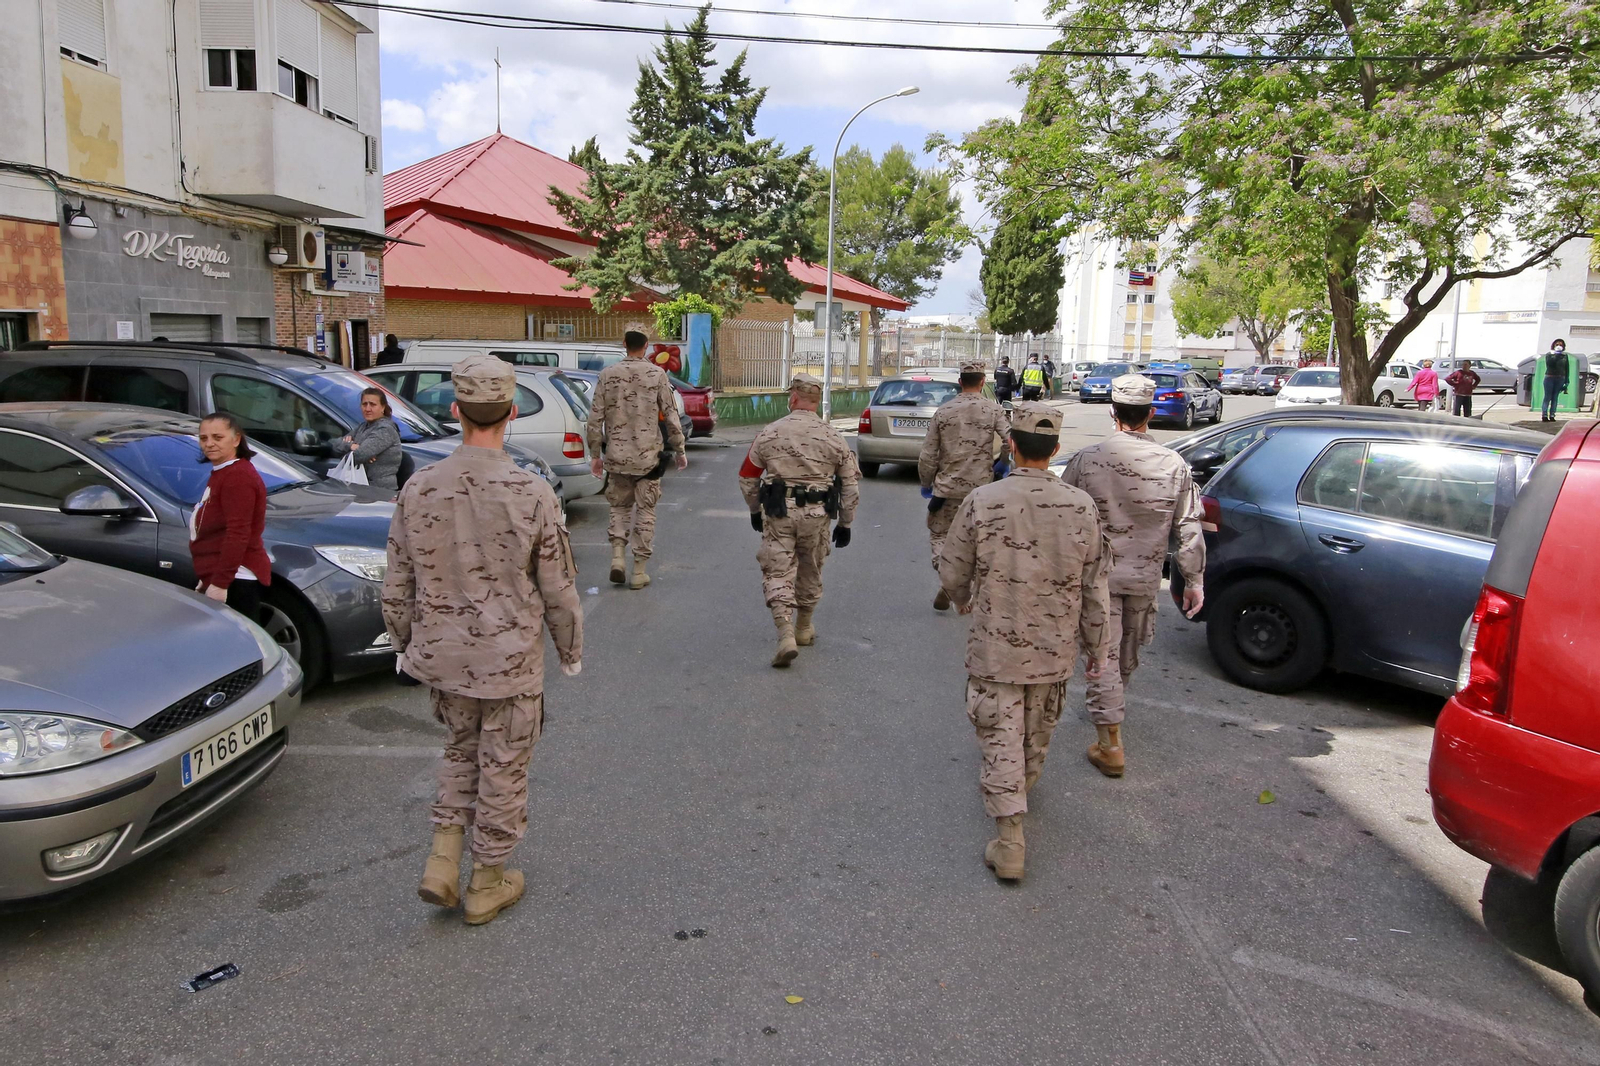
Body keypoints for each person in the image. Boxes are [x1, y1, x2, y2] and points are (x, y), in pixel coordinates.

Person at [384, 355, 583, 926]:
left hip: (444, 656)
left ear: (455, 410)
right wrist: (569, 650)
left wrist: (402, 641)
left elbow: (396, 580)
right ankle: (487, 882)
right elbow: (558, 587)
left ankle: (442, 861)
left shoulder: (419, 487)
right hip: (508, 659)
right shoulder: (532, 491)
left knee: (458, 750)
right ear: (512, 412)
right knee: (503, 765)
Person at [936, 402, 1111, 881]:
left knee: (1000, 736)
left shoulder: (983, 500)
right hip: (1053, 651)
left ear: (1010, 445)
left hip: (996, 650)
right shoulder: (1082, 506)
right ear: (1056, 449)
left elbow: (952, 569)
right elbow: (1095, 586)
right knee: (1035, 735)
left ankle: (1010, 839)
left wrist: (962, 599)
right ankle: (1018, 793)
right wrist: (1097, 648)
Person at [1058, 375, 1205, 778]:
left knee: (1105, 657)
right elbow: (1188, 528)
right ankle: (1109, 724)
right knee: (1123, 656)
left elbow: (1063, 515)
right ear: (1151, 413)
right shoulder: (1174, 465)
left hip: (1098, 580)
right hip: (1144, 579)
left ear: (1113, 413)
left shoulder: (1087, 460)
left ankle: (1110, 739)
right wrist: (1194, 581)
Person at [739, 373, 860, 667]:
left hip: (779, 513)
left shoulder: (770, 432)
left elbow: (747, 476)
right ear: (817, 402)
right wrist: (845, 523)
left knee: (777, 571)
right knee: (811, 567)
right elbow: (850, 485)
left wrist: (754, 510)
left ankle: (785, 634)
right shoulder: (834, 437)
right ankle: (804, 628)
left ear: (793, 397)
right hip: (817, 516)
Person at [587, 329, 687, 589]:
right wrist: (680, 450)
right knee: (645, 511)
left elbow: (594, 419)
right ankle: (639, 571)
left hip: (617, 457)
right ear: (646, 345)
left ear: (624, 344)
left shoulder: (607, 375)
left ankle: (617, 558)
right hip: (648, 460)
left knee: (619, 508)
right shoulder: (657, 374)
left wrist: (595, 455)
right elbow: (671, 415)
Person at [919, 359, 1009, 611]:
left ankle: (949, 581)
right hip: (981, 491)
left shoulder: (943, 411)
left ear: (960, 382)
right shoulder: (993, 410)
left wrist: (926, 482)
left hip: (947, 490)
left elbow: (928, 454)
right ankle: (963, 586)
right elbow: (1010, 441)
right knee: (977, 539)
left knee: (940, 535)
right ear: (983, 382)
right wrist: (1002, 464)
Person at [191, 412, 272, 620]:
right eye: (203, 438)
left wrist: (220, 583)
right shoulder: (224, 471)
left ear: (236, 439)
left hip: (237, 579)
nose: (209, 444)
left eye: (218, 437)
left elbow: (238, 533)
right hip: (226, 576)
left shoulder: (238, 477)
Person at [328, 386, 403, 491]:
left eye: (372, 404)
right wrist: (351, 446)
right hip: (359, 487)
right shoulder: (363, 426)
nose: (367, 409)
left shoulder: (385, 429)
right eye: (364, 404)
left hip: (379, 491)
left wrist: (351, 450)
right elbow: (333, 445)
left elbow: (358, 455)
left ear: (383, 407)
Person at [1542, 339, 1570, 422]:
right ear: (1553, 346)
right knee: (1547, 397)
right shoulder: (1549, 355)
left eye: (1561, 345)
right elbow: (1549, 364)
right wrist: (1555, 355)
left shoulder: (1564, 356)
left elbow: (1566, 368)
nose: (1559, 346)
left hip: (1560, 378)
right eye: (1557, 344)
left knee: (1555, 397)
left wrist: (1566, 381)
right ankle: (1544, 415)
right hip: (1549, 377)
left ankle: (1552, 415)